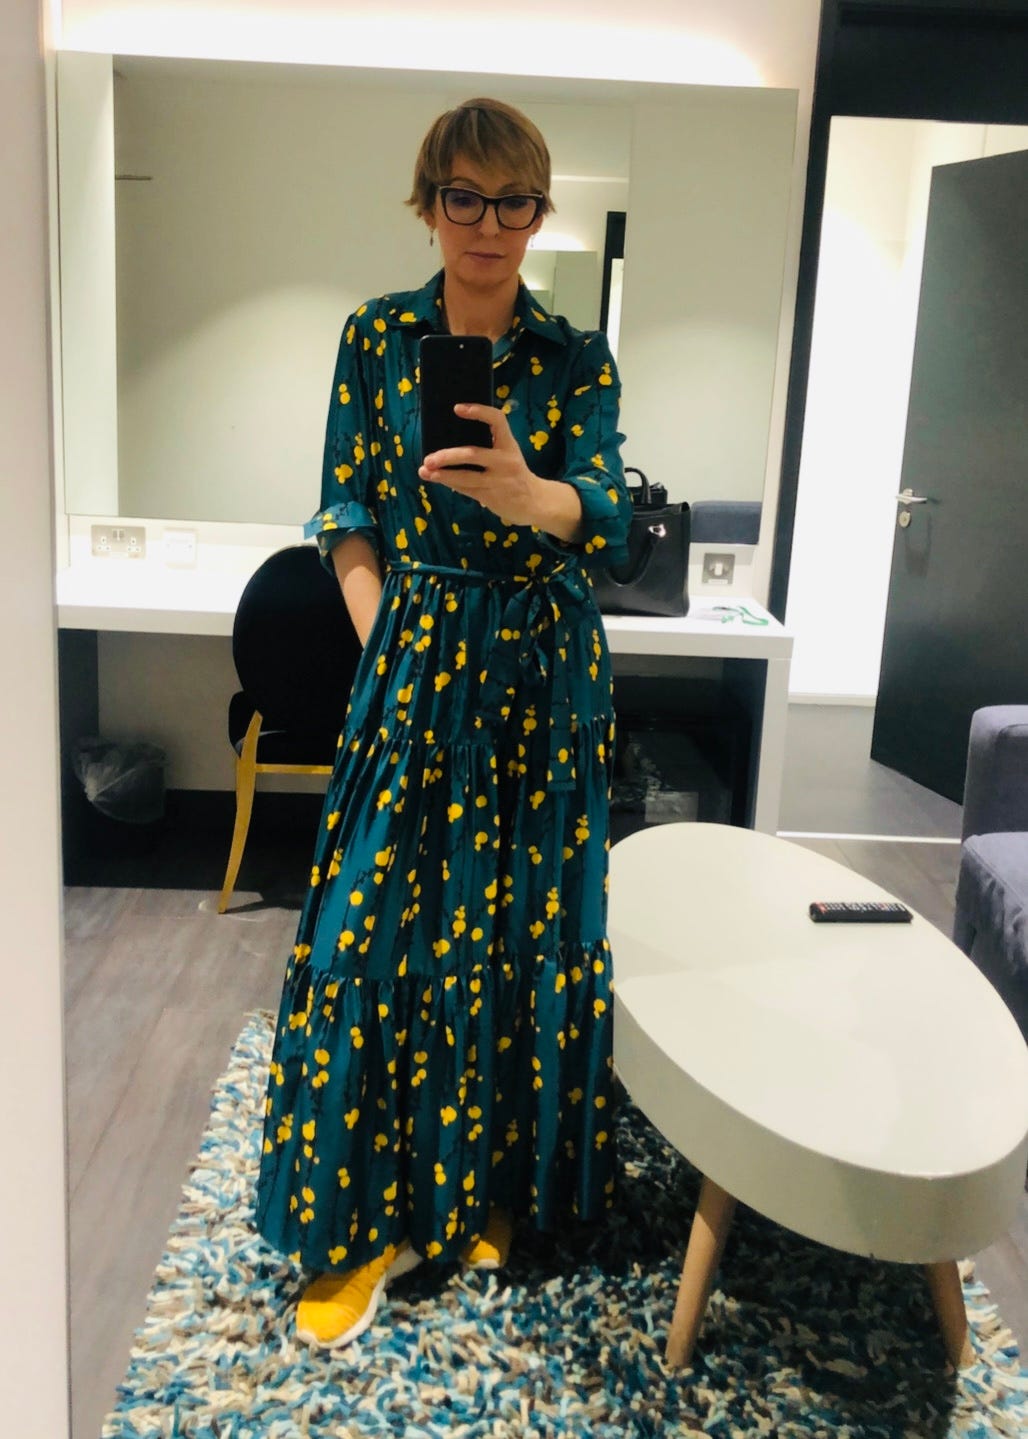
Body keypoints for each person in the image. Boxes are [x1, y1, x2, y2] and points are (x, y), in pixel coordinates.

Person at [254, 96, 631, 1350]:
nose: (487, 222)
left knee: (520, 933)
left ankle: (484, 1194)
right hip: (412, 661)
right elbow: (345, 512)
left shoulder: (575, 357)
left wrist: (536, 494)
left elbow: (606, 517)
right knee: (367, 931)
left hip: (541, 674)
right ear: (428, 205)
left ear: (538, 214)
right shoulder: (377, 336)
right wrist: (386, 648)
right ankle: (356, 1221)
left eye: (512, 200)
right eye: (462, 196)